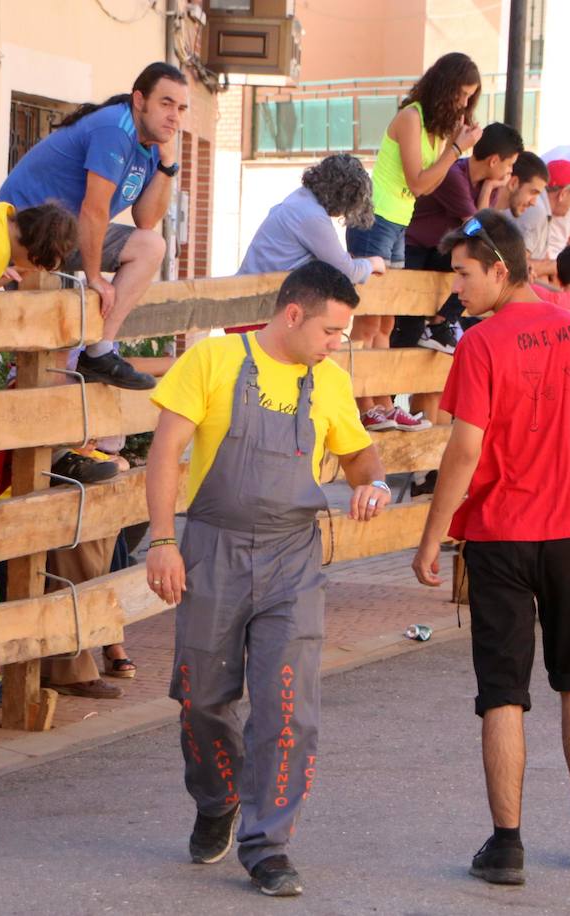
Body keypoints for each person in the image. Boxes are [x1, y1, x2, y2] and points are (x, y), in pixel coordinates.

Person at [146, 260, 393, 897]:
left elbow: (357, 450)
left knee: (288, 708)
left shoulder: (330, 381)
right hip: (212, 549)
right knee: (201, 699)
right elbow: (164, 452)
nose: (338, 344)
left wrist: (375, 482)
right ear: (292, 315)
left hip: (293, 558)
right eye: (332, 331)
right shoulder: (213, 361)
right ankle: (217, 796)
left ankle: (268, 845)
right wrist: (164, 542)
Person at [411, 210, 570, 886]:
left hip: (499, 535)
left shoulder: (480, 345)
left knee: (502, 692)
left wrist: (432, 533)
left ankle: (506, 844)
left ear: (500, 270)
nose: (458, 289)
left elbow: (465, 448)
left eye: (466, 274)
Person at [0, 62, 188, 391]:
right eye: (166, 103)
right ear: (139, 100)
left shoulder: (152, 146)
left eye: (181, 108)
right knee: (53, 347)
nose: (174, 116)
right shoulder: (115, 128)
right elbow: (94, 209)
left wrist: (168, 165)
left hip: (66, 238)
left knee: (151, 246)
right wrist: (95, 276)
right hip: (26, 241)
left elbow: (146, 220)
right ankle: (41, 433)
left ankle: (99, 349)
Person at [348, 51, 481, 431]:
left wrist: (451, 146)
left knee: (387, 321)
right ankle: (363, 404)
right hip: (375, 220)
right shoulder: (410, 117)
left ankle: (383, 402)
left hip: (397, 223)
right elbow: (419, 182)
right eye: (461, 94)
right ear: (444, 87)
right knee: (369, 320)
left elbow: (431, 184)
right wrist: (455, 150)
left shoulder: (435, 130)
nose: (463, 104)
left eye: (470, 98)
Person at [397, 121, 524, 356]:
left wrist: (488, 189)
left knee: (477, 264)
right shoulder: (453, 175)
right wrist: (489, 190)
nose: (510, 172)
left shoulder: (490, 184)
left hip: (441, 250)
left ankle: (441, 323)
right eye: (510, 164)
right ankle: (435, 328)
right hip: (413, 248)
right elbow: (479, 227)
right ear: (494, 160)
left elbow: (485, 232)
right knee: (407, 328)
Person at [238, 153, 383, 284]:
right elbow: (348, 273)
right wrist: (373, 263)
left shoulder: (301, 198)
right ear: (343, 196)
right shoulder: (312, 217)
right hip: (258, 295)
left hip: (252, 286)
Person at [508, 158, 570, 280]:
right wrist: (556, 266)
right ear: (563, 194)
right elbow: (514, 267)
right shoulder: (537, 212)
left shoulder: (543, 209)